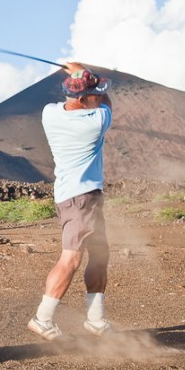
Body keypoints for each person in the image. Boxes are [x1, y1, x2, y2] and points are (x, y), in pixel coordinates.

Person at [27, 63, 114, 341]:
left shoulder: (49, 114)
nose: (99, 96)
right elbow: (107, 103)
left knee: (100, 255)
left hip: (74, 196)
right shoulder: (96, 121)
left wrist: (77, 76)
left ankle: (96, 319)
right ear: (83, 99)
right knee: (72, 258)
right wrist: (82, 70)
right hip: (82, 199)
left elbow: (91, 98)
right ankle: (43, 318)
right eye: (94, 93)